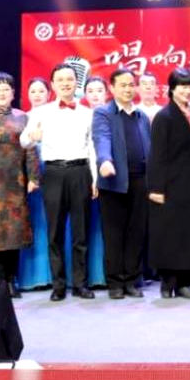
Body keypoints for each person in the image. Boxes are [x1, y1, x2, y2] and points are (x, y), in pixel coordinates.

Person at [21, 64, 97, 301]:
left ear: (76, 83)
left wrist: (94, 179)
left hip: (80, 171)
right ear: (53, 85)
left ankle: (81, 284)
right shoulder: (40, 113)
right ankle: (59, 285)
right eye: (60, 80)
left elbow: (92, 148)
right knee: (54, 232)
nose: (65, 83)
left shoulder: (88, 113)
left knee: (81, 231)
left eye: (70, 79)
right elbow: (23, 141)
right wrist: (32, 137)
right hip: (53, 172)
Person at [0, 73, 39, 297]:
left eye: (6, 89)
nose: (2, 93)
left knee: (14, 233)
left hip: (15, 183)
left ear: (13, 93)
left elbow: (30, 148)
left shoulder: (23, 117)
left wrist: (33, 178)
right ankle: (0, 282)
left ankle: (12, 281)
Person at [148, 68, 190, 299]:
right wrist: (156, 188)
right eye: (183, 86)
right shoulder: (164, 117)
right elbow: (157, 155)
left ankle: (184, 283)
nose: (187, 91)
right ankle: (168, 283)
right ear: (172, 89)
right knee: (169, 235)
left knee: (188, 234)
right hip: (169, 186)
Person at [93, 68, 152, 299]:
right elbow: (102, 138)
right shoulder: (103, 113)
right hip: (114, 181)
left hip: (140, 181)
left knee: (136, 232)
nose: (128, 89)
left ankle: (132, 280)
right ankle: (115, 283)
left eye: (131, 85)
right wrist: (105, 160)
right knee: (114, 234)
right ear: (112, 88)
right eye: (123, 85)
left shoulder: (141, 116)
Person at [17, 77, 52, 290]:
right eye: (33, 91)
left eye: (41, 91)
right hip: (31, 176)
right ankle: (32, 276)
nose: (37, 95)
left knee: (53, 223)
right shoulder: (22, 118)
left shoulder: (55, 114)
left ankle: (55, 275)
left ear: (49, 93)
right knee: (34, 222)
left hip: (54, 172)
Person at [81, 75, 108, 287]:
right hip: (86, 177)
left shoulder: (111, 115)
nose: (95, 95)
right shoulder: (81, 115)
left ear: (107, 93)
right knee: (87, 228)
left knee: (107, 228)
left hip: (110, 176)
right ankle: (89, 276)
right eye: (90, 91)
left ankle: (108, 275)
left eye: (99, 90)